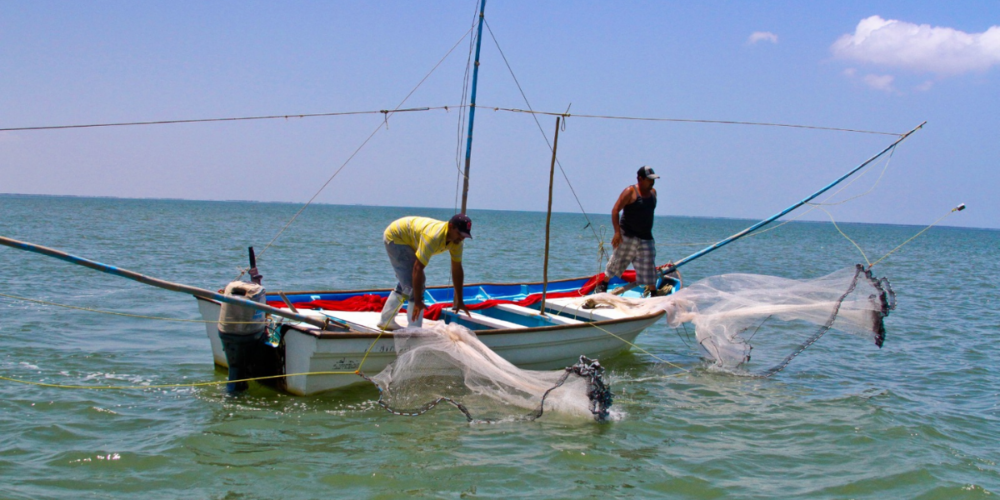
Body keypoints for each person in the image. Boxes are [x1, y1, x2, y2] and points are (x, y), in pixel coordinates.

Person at [378, 214, 474, 330]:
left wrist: (460, 300)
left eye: (464, 236)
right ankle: (414, 328)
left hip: (411, 239)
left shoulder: (457, 242)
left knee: (408, 282)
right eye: (459, 234)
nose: (461, 238)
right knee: (414, 282)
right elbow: (417, 268)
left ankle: (386, 320)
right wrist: (417, 301)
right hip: (396, 237)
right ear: (451, 227)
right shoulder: (433, 237)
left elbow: (457, 269)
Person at [595, 165, 660, 296]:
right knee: (617, 261)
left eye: (653, 179)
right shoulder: (630, 192)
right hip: (628, 235)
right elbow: (615, 210)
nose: (652, 182)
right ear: (640, 179)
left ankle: (653, 292)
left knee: (648, 265)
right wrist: (617, 233)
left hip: (646, 237)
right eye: (649, 179)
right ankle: (604, 285)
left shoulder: (653, 193)